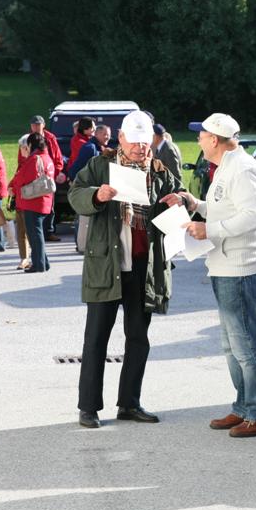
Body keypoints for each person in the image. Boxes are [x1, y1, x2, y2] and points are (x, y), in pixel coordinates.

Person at [162, 113, 256, 438]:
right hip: (226, 266)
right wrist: (193, 203)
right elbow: (227, 209)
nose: (198, 140)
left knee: (245, 344)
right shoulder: (228, 167)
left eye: (201, 135)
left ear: (214, 139)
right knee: (232, 344)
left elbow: (252, 218)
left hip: (240, 268)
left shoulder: (242, 170)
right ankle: (245, 407)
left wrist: (209, 229)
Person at [68, 110, 182, 429]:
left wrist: (180, 201)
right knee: (96, 340)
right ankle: (88, 408)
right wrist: (97, 195)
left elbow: (174, 204)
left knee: (138, 338)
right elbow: (76, 195)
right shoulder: (100, 165)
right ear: (121, 139)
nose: (140, 149)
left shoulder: (159, 171)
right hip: (107, 265)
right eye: (134, 143)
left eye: (145, 144)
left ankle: (129, 404)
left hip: (144, 268)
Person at [10, 132, 55, 273]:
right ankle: (43, 262)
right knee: (37, 234)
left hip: (33, 201)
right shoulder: (47, 157)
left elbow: (23, 178)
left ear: (30, 145)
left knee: (35, 235)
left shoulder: (34, 159)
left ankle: (39, 264)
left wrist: (13, 188)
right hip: (44, 200)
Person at [70, 123, 112, 254]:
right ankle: (81, 245)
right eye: (105, 134)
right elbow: (77, 168)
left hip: (92, 190)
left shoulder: (98, 147)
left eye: (109, 135)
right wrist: (78, 183)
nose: (107, 137)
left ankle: (81, 244)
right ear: (97, 134)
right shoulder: (90, 148)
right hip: (86, 189)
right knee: (83, 216)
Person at [27, 115, 66, 242]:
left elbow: (57, 157)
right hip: (32, 176)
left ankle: (49, 231)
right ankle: (35, 231)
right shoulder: (27, 139)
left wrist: (55, 173)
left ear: (43, 125)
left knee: (49, 205)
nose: (36, 127)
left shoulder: (50, 138)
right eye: (34, 125)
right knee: (34, 205)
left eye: (38, 124)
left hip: (48, 176)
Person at [9, 134, 32, 270]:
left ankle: (33, 257)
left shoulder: (33, 161)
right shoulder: (24, 162)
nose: (20, 151)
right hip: (20, 201)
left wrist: (14, 187)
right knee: (21, 232)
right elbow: (17, 178)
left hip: (28, 202)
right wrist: (11, 186)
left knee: (30, 232)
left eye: (22, 148)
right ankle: (24, 258)